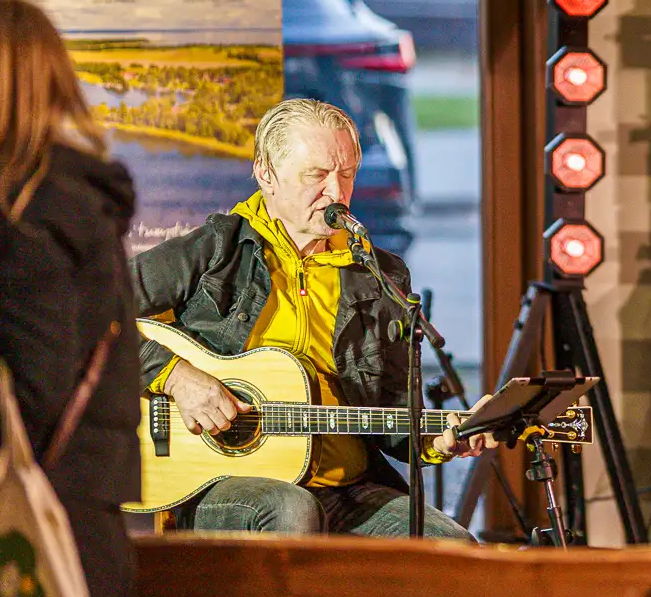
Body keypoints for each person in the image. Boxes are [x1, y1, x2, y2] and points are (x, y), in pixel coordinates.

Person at [132, 98, 484, 537]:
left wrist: (439, 439)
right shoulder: (216, 251)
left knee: (454, 547)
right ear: (267, 174)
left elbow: (393, 414)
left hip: (347, 490)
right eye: (317, 175)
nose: (337, 193)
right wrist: (175, 377)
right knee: (292, 510)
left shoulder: (379, 275)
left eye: (347, 174)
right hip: (223, 485)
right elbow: (90, 309)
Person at [0, 0, 142, 597]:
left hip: (20, 547)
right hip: (52, 531)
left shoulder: (25, 213)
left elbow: (25, 395)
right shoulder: (42, 202)